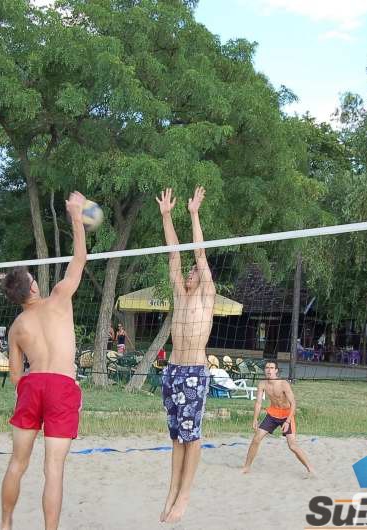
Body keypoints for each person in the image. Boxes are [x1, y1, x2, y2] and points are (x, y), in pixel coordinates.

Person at [0, 191, 88, 530]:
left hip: (32, 385)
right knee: (53, 470)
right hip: (61, 385)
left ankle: (5, 524)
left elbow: (15, 375)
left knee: (17, 464)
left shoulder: (16, 327)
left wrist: (33, 389)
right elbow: (79, 258)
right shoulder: (60, 298)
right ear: (33, 288)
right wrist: (76, 216)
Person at [157, 186, 215, 524]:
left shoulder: (207, 295)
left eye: (195, 271)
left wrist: (194, 214)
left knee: (191, 437)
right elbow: (174, 255)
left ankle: (185, 496)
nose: (191, 272)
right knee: (176, 437)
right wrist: (166, 216)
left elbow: (198, 254)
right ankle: (172, 491)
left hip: (194, 371)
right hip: (173, 371)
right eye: (190, 271)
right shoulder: (180, 294)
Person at [242, 360, 314, 475]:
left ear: (276, 370)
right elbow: (258, 403)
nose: (269, 370)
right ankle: (246, 467)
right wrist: (255, 418)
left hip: (286, 415)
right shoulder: (262, 384)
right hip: (272, 414)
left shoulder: (283, 384)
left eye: (271, 368)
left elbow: (293, 404)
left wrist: (288, 421)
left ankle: (310, 469)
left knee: (292, 446)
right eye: (267, 368)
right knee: (256, 439)